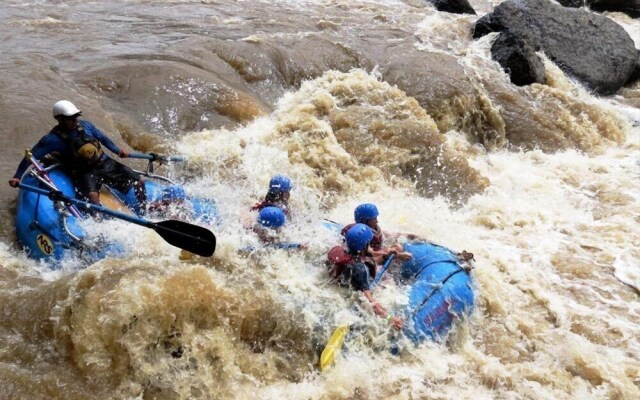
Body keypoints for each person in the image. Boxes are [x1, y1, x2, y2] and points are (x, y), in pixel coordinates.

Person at [8, 100, 146, 211]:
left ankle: (144, 210)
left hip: (105, 162)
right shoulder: (52, 139)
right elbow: (31, 156)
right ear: (60, 119)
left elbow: (103, 139)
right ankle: (99, 224)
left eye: (76, 117)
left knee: (139, 181)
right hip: (85, 171)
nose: (75, 120)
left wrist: (117, 150)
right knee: (92, 197)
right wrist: (17, 176)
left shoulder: (86, 126)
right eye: (70, 118)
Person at [327, 223, 404, 331]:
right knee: (386, 285)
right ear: (364, 246)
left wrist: (386, 255)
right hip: (351, 294)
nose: (371, 246)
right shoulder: (359, 269)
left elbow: (367, 258)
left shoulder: (338, 251)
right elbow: (368, 299)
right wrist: (389, 317)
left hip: (335, 286)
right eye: (369, 243)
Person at [341, 203, 412, 261]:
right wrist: (396, 255)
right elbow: (372, 253)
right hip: (370, 256)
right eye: (374, 219)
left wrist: (409, 235)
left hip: (370, 253)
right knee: (396, 248)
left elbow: (390, 235)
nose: (377, 221)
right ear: (365, 221)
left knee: (398, 247)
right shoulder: (360, 234)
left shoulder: (369, 229)